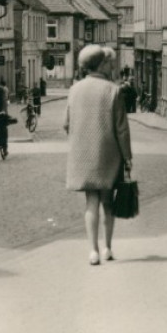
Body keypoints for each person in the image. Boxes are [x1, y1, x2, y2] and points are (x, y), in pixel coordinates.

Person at [64, 44, 132, 266]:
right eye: (109, 62)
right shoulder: (113, 90)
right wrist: (127, 156)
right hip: (108, 152)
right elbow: (121, 129)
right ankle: (107, 248)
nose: (112, 65)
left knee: (90, 201)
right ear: (101, 64)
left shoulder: (75, 89)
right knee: (108, 201)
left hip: (83, 154)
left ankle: (92, 250)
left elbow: (66, 124)